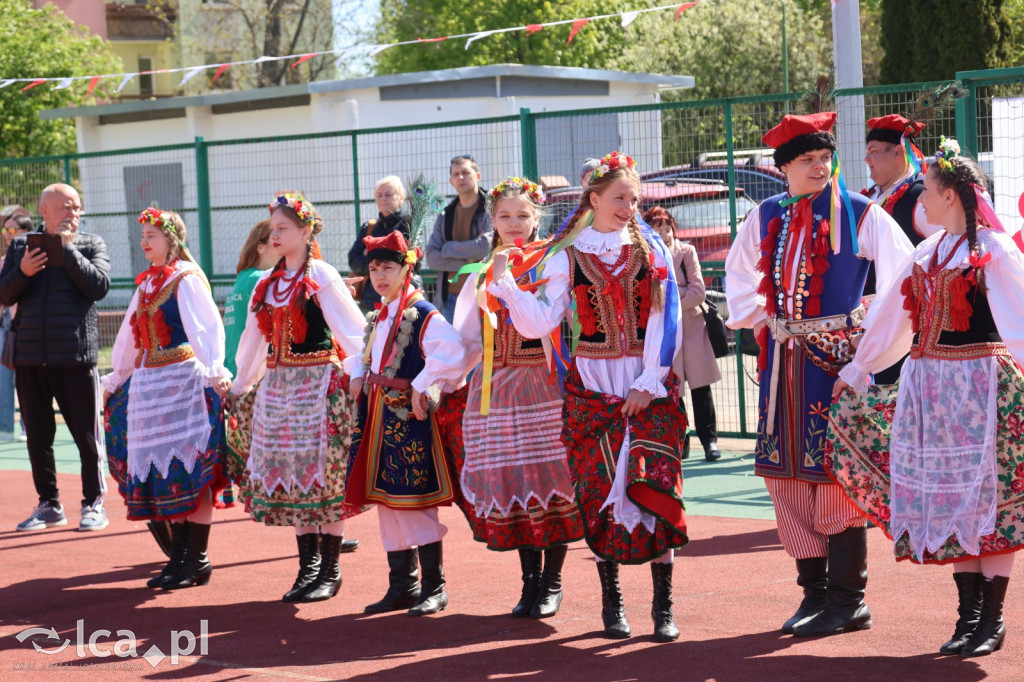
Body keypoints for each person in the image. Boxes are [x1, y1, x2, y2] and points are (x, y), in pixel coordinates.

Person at [829, 140, 1024, 657]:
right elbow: (891, 319)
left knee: (988, 499)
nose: (923, 202)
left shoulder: (994, 252)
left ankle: (993, 619)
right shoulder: (927, 252)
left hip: (981, 388)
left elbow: (1021, 323)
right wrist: (859, 368)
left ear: (954, 196)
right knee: (952, 497)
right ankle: (969, 618)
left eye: (930, 191)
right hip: (932, 391)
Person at [724, 112, 915, 637]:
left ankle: (849, 600)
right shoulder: (765, 214)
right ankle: (813, 595)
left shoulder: (859, 212)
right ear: (783, 168)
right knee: (785, 478)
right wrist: (763, 319)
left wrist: (865, 359)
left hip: (836, 369)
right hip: (782, 364)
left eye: (824, 158)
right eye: (807, 160)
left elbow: (905, 282)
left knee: (834, 478)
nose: (819, 166)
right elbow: (739, 276)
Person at [489, 152, 687, 643]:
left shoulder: (650, 249)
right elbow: (540, 324)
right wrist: (509, 288)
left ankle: (663, 608)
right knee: (598, 494)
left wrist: (648, 382)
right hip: (592, 390)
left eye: (633, 198)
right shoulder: (566, 254)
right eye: (620, 197)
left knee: (657, 488)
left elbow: (668, 320)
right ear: (594, 199)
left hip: (646, 383)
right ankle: (612, 605)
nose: (629, 205)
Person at [447, 177, 583, 619]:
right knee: (515, 481)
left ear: (537, 216)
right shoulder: (480, 272)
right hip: (497, 386)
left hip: (544, 383)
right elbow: (466, 337)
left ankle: (553, 581)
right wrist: (440, 378)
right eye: (504, 216)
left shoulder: (551, 261)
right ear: (492, 220)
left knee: (551, 478)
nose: (514, 224)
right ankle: (529, 582)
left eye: (523, 215)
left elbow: (545, 324)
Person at [231, 193, 367, 603]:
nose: (274, 235)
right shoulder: (268, 284)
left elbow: (354, 331)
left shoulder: (320, 275)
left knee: (326, 475)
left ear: (306, 231)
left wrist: (360, 372)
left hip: (318, 387)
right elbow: (253, 342)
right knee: (293, 476)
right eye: (272, 229)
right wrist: (239, 385)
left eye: (283, 228)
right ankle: (307, 567)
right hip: (279, 389)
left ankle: (330, 569)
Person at [102, 208, 232, 589]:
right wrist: (117, 377)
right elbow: (128, 339)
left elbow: (206, 329)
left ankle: (197, 558)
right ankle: (179, 559)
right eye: (142, 235)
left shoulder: (186, 279)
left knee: (191, 471)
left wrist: (215, 371)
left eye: (151, 235)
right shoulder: (146, 285)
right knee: (164, 474)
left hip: (181, 386)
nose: (144, 241)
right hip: (150, 388)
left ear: (172, 240)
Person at [345, 230, 466, 617]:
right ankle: (402, 585)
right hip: (377, 418)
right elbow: (364, 356)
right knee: (387, 502)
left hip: (406, 419)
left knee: (413, 503)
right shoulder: (380, 314)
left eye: (388, 268)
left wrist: (420, 384)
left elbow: (452, 355)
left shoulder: (423, 313)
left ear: (406, 269)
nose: (380, 276)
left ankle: (435, 586)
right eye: (374, 269)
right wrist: (358, 372)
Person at [0, 184, 111, 533]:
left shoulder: (91, 244)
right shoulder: (20, 245)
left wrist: (69, 251)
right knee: (37, 437)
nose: (73, 214)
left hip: (76, 358)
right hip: (31, 359)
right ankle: (49, 504)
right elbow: (4, 295)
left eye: (77, 207)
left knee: (86, 437)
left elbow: (99, 287)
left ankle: (93, 504)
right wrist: (24, 272)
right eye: (65, 208)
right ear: (44, 212)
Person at [862, 114, 943, 384]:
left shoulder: (920, 198)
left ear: (898, 151)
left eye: (873, 152)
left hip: (906, 326)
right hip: (867, 327)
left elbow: (945, 252)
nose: (867, 159)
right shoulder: (869, 199)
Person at [644, 205, 723, 462]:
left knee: (701, 388)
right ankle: (681, 442)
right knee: (672, 390)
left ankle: (709, 441)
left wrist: (669, 304)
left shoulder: (686, 251)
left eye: (668, 228)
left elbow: (698, 291)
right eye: (658, 229)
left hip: (691, 327)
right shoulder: (645, 257)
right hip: (665, 331)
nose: (665, 234)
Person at [425, 155, 494, 322]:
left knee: (483, 348)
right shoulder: (445, 214)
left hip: (482, 296)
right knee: (452, 347)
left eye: (465, 172)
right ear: (451, 181)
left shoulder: (491, 207)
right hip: (449, 298)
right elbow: (432, 258)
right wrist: (470, 264)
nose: (460, 177)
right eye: (456, 174)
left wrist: (448, 249)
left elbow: (485, 246)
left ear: (478, 176)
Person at [348, 176, 412, 314]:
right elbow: (353, 260)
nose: (383, 199)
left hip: (403, 299)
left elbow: (414, 263)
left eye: (388, 195)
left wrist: (371, 260)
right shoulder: (369, 227)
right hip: (370, 301)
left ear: (401, 198)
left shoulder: (409, 225)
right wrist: (389, 264)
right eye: (379, 195)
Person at [224, 220, 274, 378]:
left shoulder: (244, 277)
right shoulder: (260, 279)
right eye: (276, 240)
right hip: (250, 375)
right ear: (260, 247)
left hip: (234, 369)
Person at [0, 210, 32, 441]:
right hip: (8, 325)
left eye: (12, 230)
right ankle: (6, 428)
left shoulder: (41, 257)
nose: (8, 235)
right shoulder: (3, 262)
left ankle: (28, 427)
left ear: (27, 231)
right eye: (5, 230)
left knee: (29, 378)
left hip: (31, 323)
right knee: (3, 376)